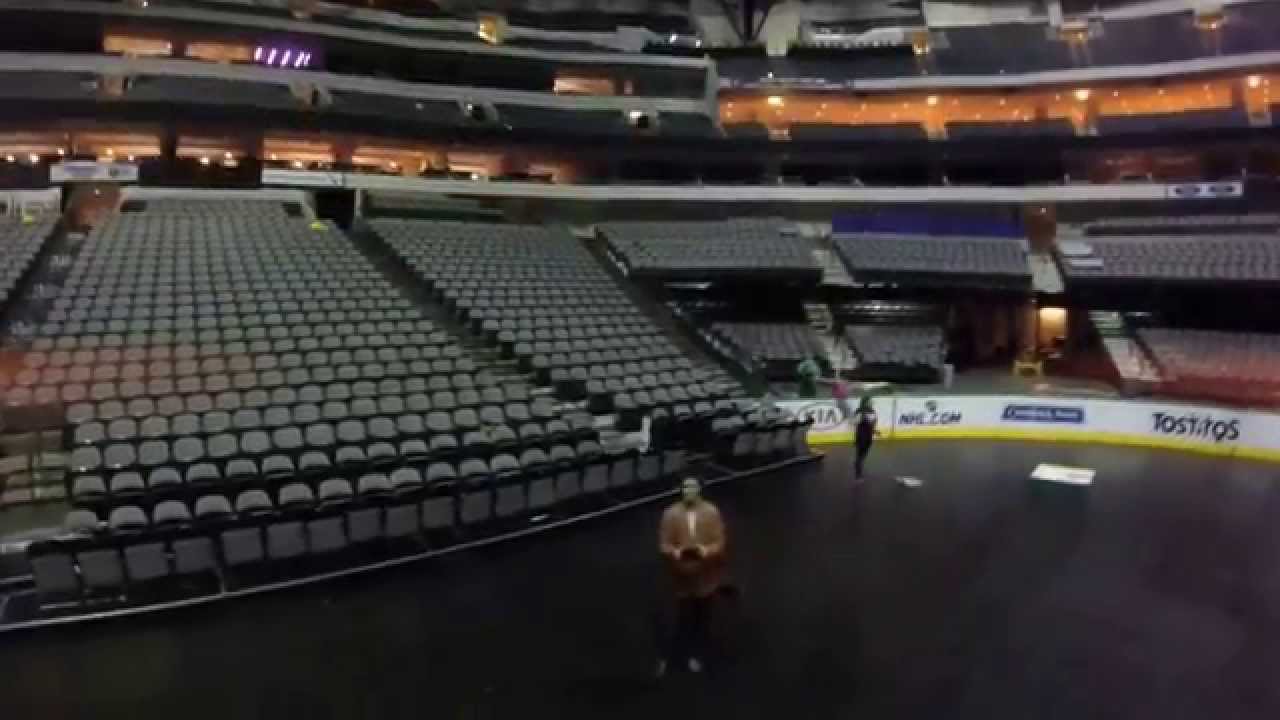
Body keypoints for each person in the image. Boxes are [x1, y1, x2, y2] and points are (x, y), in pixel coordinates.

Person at [657, 477, 727, 676]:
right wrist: (674, 552)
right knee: (679, 617)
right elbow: (663, 544)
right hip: (680, 573)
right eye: (685, 486)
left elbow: (719, 542)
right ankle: (673, 656)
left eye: (693, 486)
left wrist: (705, 551)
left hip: (705, 573)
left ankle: (698, 653)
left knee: (703, 618)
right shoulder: (670, 514)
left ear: (700, 490)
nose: (689, 490)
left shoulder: (711, 512)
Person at [852, 396, 879, 480]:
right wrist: (862, 418)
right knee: (860, 455)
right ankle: (858, 475)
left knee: (864, 455)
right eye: (870, 401)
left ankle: (858, 463)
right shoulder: (859, 411)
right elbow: (855, 422)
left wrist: (875, 431)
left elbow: (872, 423)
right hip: (861, 436)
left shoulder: (873, 411)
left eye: (872, 401)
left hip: (869, 436)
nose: (871, 403)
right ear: (865, 402)